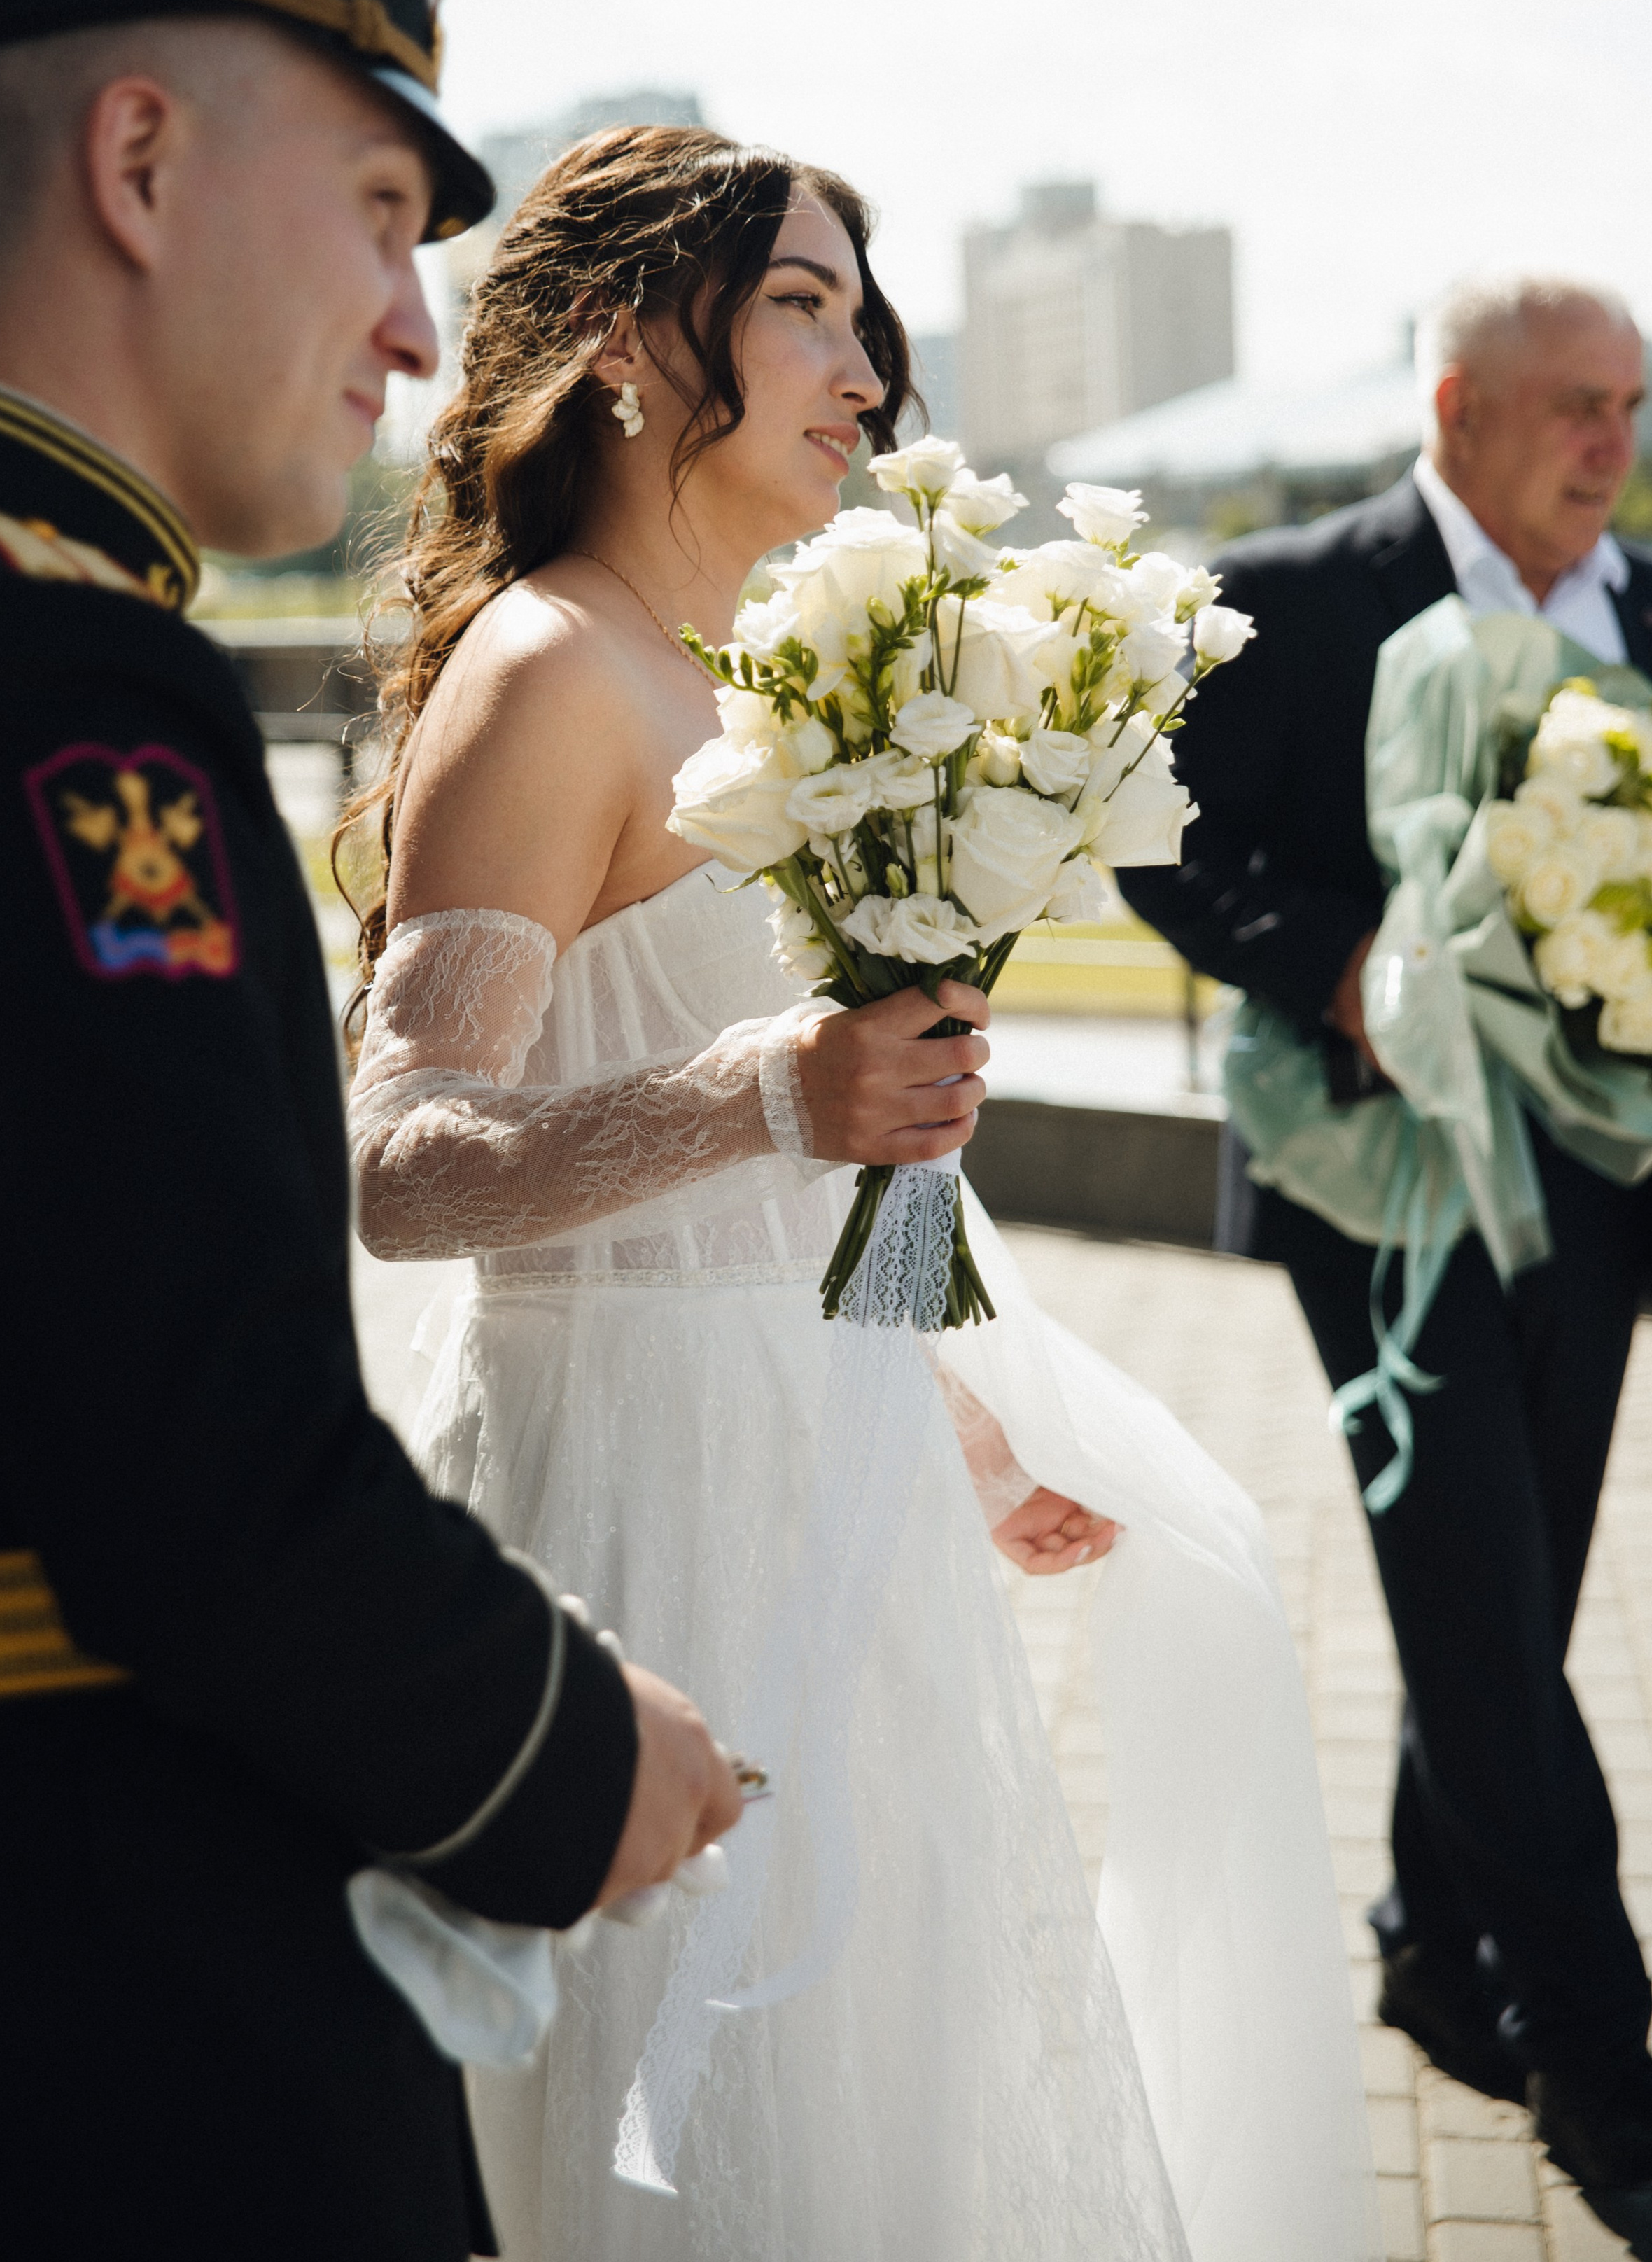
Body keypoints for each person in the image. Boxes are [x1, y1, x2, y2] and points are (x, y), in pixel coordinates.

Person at [346, 121, 1378, 2262]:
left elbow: (849, 1146)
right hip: (625, 1507)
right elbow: (398, 1160)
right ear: (634, 341)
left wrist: (968, 1415)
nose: (864, 368)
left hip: (846, 1484)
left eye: (860, 313)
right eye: (804, 306)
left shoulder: (779, 689)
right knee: (684, 2133)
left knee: (869, 2119)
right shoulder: (549, 671)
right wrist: (755, 1088)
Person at [0, 0, 742, 2262]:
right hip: (57, 2006)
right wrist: (574, 1760)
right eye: (376, 210)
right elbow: (197, 1465)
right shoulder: (50, 679)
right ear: (139, 160)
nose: (409, 323)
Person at [1121, 277, 1652, 2244]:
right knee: (1486, 1611)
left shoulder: (1643, 602)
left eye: (1632, 407)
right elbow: (1164, 839)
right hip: (1375, 1185)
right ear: (1456, 404)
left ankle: (1436, 1946)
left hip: (1596, 1190)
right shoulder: (1294, 588)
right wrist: (1342, 961)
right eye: (1577, 407)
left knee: (1517, 1583)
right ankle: (1609, 2062)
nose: (1612, 444)